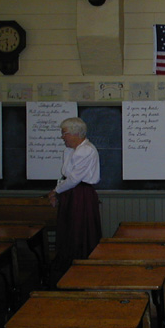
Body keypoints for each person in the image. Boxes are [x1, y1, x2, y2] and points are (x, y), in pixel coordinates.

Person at [47, 117, 102, 281]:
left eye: (65, 133)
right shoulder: (71, 150)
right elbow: (66, 176)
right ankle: (68, 268)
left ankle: (82, 270)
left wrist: (55, 191)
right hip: (72, 193)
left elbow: (74, 179)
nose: (62, 137)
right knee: (69, 231)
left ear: (75, 133)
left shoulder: (86, 150)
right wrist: (57, 191)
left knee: (79, 231)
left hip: (80, 195)